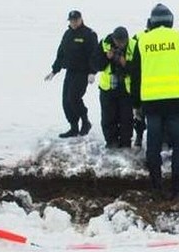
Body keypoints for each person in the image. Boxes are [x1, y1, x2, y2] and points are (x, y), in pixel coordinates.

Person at [130, 3, 179, 200]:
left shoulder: (142, 41)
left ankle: (156, 186)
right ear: (170, 21)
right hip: (177, 102)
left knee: (153, 145)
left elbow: (136, 75)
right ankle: (177, 187)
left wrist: (135, 104)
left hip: (151, 103)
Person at [45, 10, 98, 138]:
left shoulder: (89, 34)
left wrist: (92, 72)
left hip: (83, 72)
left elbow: (94, 55)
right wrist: (54, 70)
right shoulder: (67, 34)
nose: (73, 22)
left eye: (76, 20)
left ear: (81, 19)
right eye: (71, 20)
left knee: (73, 98)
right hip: (70, 71)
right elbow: (61, 54)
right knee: (66, 101)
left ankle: (85, 122)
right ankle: (73, 127)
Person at [90, 26, 135, 148]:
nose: (121, 44)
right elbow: (95, 64)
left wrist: (124, 63)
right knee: (108, 118)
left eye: (123, 42)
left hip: (126, 89)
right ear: (114, 39)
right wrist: (107, 58)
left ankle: (126, 143)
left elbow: (137, 69)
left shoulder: (133, 45)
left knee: (126, 119)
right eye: (118, 42)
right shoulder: (104, 44)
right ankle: (111, 142)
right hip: (108, 88)